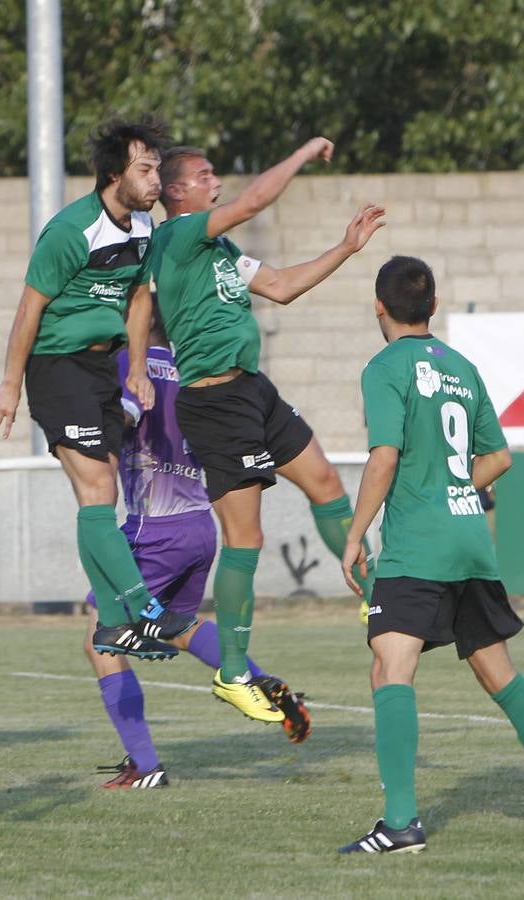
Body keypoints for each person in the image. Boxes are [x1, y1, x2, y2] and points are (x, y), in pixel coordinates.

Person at [149, 141, 386, 721]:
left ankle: (377, 599)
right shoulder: (178, 236)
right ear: (176, 192)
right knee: (246, 539)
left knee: (325, 483)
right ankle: (233, 672)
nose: (215, 181)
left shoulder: (219, 249)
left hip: (254, 391)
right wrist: (302, 151)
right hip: (215, 403)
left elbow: (281, 285)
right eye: (204, 175)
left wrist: (347, 247)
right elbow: (255, 200)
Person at [335, 256, 524, 854]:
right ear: (434, 306)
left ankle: (401, 824)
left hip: (418, 547)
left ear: (378, 306)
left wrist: (355, 534)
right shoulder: (462, 367)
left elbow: (385, 456)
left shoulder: (384, 367)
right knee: (500, 676)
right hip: (470, 539)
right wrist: (453, 491)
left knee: (389, 670)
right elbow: (498, 458)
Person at [0, 118, 188, 660]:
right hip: (56, 366)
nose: (156, 179)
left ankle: (111, 626)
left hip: (102, 369)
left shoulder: (143, 227)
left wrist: (137, 368)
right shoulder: (71, 231)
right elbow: (29, 309)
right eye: (145, 169)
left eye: (158, 169)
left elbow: (140, 298)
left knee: (98, 498)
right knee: (98, 486)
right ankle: (144, 608)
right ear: (115, 173)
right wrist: (9, 385)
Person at [83, 310, 310, 790]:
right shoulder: (194, 373)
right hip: (199, 525)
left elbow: (125, 413)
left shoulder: (131, 364)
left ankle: (145, 765)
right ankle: (262, 682)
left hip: (155, 526)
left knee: (100, 635)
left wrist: (84, 432)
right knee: (178, 629)